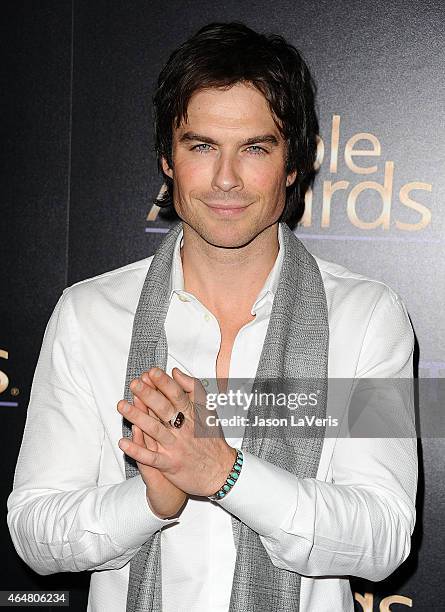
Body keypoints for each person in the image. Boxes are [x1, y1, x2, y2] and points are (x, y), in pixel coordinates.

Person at [7, 22, 417, 612]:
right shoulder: (88, 314)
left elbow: (382, 537)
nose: (226, 178)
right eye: (202, 146)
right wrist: (148, 503)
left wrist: (226, 475)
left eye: (255, 147)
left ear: (294, 163)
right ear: (167, 161)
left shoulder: (369, 317)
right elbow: (33, 534)